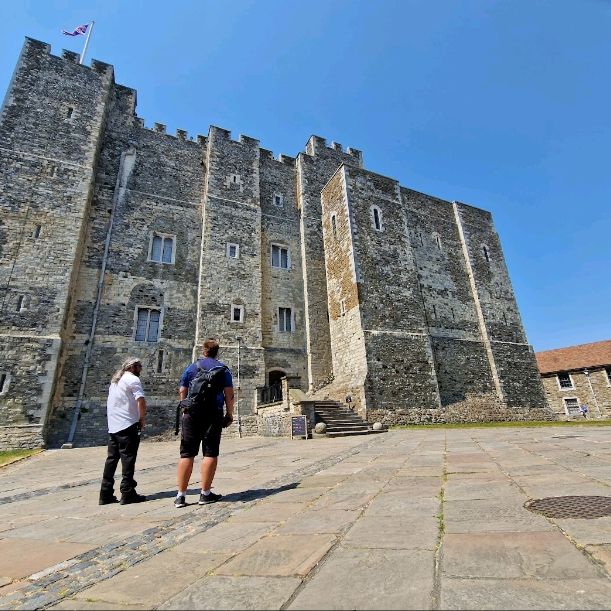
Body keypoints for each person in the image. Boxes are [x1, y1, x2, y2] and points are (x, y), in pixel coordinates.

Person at [174, 338, 234, 508]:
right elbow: (229, 394)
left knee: (187, 454)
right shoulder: (222, 369)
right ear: (217, 352)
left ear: (203, 351)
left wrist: (185, 405)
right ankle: (205, 493)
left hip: (191, 413)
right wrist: (229, 414)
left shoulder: (192, 367)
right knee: (210, 453)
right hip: (213, 413)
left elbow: (182, 389)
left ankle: (180, 496)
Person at [99, 356, 147, 505]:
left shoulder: (115, 382)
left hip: (114, 426)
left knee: (112, 460)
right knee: (128, 459)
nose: (141, 369)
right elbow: (141, 400)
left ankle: (105, 494)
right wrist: (142, 419)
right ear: (131, 367)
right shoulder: (132, 379)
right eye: (139, 366)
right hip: (128, 425)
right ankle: (127, 493)